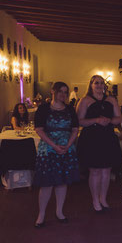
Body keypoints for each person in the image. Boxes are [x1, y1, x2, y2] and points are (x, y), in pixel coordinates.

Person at [33, 82, 80, 228]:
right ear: (53, 91)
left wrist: (68, 145)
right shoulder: (43, 108)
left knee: (62, 182)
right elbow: (39, 130)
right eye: (61, 91)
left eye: (66, 92)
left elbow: (75, 129)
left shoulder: (70, 109)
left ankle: (59, 212)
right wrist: (54, 145)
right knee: (47, 183)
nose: (63, 95)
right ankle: (41, 214)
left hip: (66, 149)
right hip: (48, 149)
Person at [76, 75, 122, 212]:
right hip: (92, 138)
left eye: (102, 83)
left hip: (107, 137)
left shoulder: (111, 100)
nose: (99, 85)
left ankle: (103, 198)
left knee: (106, 170)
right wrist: (96, 120)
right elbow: (79, 121)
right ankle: (95, 200)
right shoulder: (85, 100)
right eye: (96, 83)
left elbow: (118, 118)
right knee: (95, 170)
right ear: (91, 85)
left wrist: (109, 120)